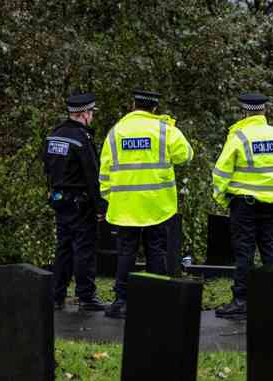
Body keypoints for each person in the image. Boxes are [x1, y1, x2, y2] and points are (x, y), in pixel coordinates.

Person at [99, 90, 193, 319]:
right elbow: (186, 155)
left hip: (125, 206)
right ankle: (157, 299)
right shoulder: (164, 130)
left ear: (133, 105)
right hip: (157, 205)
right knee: (156, 251)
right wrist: (171, 125)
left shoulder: (116, 131)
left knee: (126, 253)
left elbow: (104, 170)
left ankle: (121, 301)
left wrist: (111, 198)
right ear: (154, 108)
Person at [211, 92, 273, 319]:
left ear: (244, 112)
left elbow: (221, 173)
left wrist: (223, 199)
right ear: (264, 111)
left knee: (244, 252)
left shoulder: (238, 136)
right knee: (270, 251)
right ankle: (272, 300)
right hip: (272, 205)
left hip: (244, 205)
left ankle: (241, 300)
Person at [42, 93, 107, 311]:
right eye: (91, 113)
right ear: (83, 114)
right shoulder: (81, 139)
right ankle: (86, 296)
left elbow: (47, 168)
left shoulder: (54, 135)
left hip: (59, 199)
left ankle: (56, 295)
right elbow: (92, 174)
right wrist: (100, 207)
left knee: (63, 248)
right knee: (83, 249)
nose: (92, 117)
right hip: (80, 203)